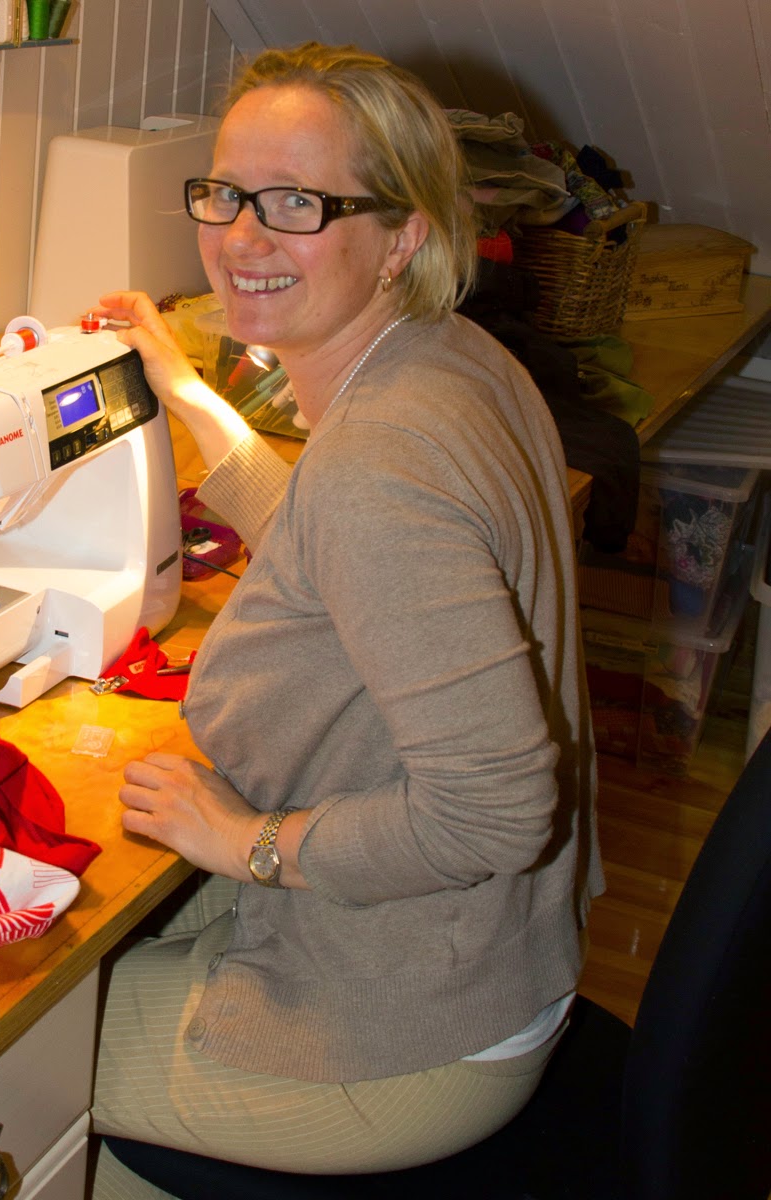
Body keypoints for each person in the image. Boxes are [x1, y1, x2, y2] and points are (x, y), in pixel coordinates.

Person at [88, 42, 602, 1198]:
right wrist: (185, 391)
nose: (241, 237)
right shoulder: (450, 359)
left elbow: (495, 812)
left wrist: (250, 845)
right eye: (226, 193)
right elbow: (341, 547)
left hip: (411, 1026)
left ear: (402, 235)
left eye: (298, 204)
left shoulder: (380, 464)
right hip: (492, 956)